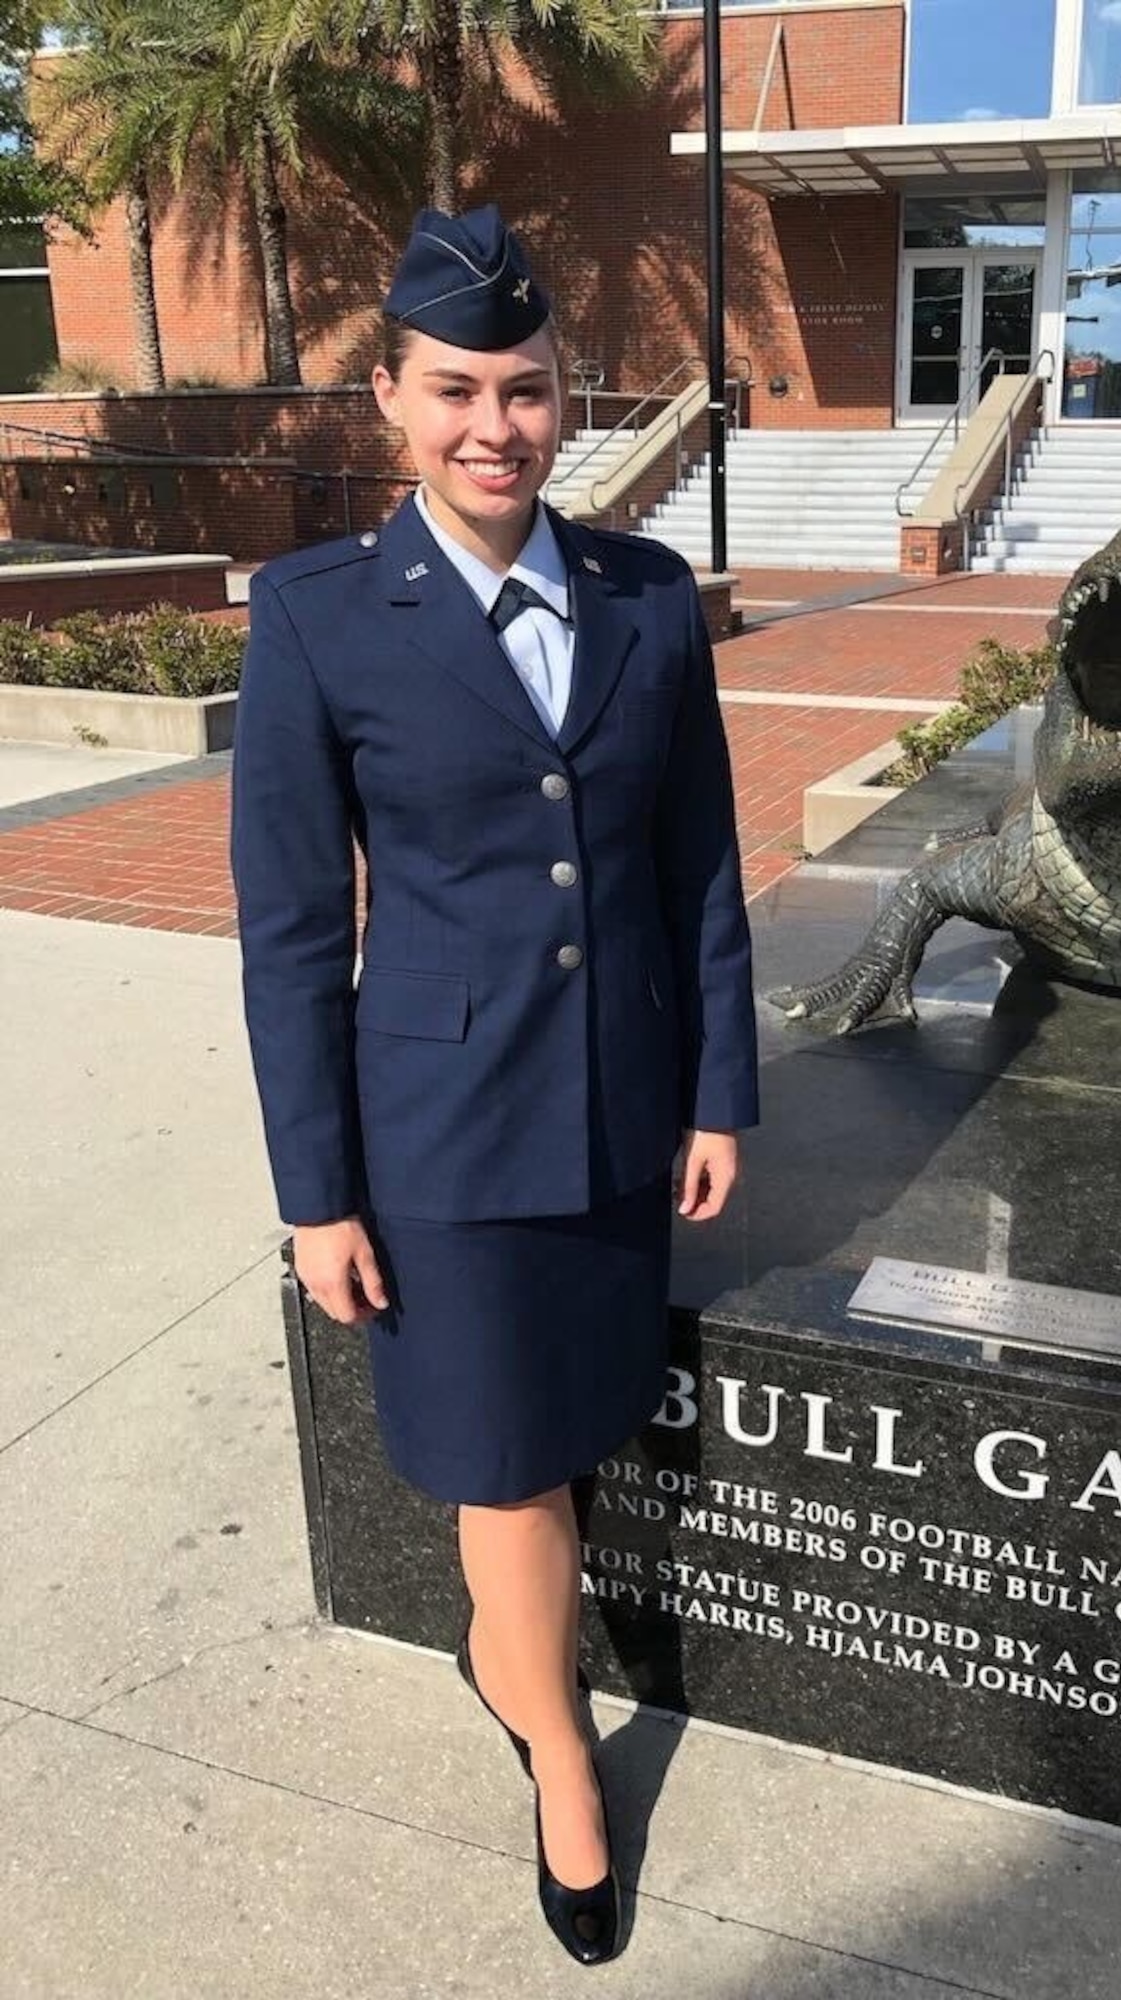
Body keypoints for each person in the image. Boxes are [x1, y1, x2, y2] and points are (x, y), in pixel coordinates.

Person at [230, 204, 758, 1968]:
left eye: (525, 391)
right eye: (454, 389)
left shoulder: (646, 597)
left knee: (570, 1423)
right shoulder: (318, 619)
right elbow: (295, 931)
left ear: (566, 400)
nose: (494, 427)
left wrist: (720, 1093)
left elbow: (698, 867)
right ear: (389, 398)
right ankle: (562, 1763)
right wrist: (317, 1191)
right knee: (511, 1467)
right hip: (439, 1137)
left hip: (617, 1114)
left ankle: (505, 1653)